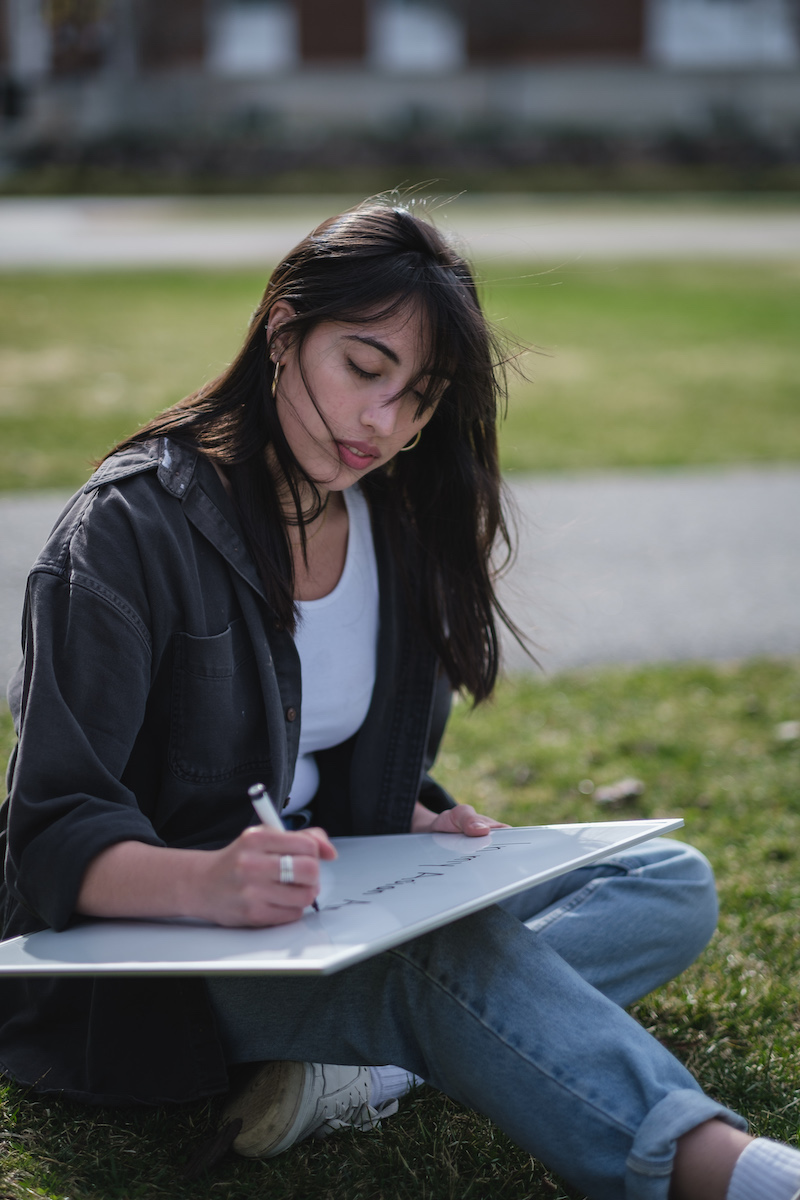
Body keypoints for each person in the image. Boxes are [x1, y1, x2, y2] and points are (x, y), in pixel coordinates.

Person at [0, 202, 798, 1200]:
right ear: (284, 332)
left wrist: (416, 813)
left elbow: (316, 743)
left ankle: (368, 1071)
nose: (385, 422)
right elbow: (54, 831)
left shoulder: (393, 518)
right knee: (443, 957)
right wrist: (209, 887)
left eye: (418, 395)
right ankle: (721, 1173)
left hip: (327, 908)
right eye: (364, 369)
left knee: (663, 880)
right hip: (165, 966)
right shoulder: (128, 529)